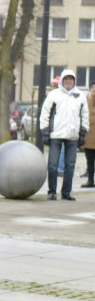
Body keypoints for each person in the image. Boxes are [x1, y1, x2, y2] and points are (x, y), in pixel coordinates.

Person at [39, 68, 88, 201]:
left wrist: (83, 131)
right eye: (66, 79)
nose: (68, 81)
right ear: (62, 80)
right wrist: (44, 130)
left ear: (74, 81)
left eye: (71, 79)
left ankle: (66, 192)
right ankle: (52, 191)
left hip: (72, 135)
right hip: (56, 134)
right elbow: (45, 112)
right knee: (53, 165)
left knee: (70, 165)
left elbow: (85, 115)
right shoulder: (54, 94)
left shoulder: (80, 96)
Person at [82, 87, 95, 188]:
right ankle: (90, 180)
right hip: (89, 135)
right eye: (93, 88)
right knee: (89, 160)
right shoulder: (87, 100)